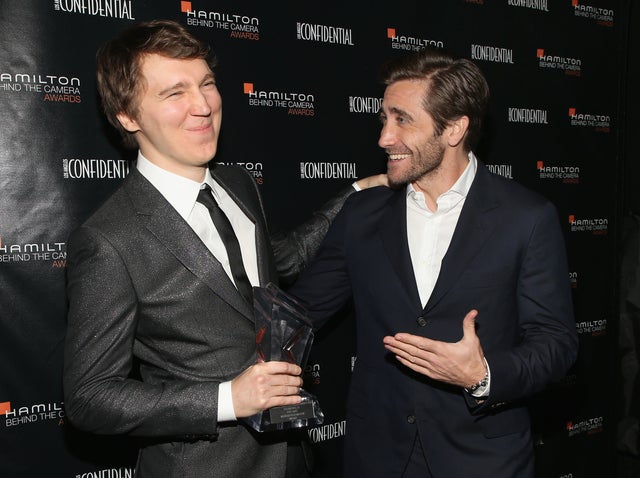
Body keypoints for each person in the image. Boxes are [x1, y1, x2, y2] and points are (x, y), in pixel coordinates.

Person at [63, 19, 384, 478]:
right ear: (126, 116)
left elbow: (281, 259)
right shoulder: (108, 241)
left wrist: (355, 195)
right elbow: (90, 397)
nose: (203, 105)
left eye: (207, 84)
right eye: (174, 93)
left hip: (293, 458)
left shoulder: (238, 184)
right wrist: (227, 400)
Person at [288, 48, 579, 477]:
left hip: (482, 459)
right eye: (384, 118)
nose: (385, 137)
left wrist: (482, 374)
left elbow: (557, 345)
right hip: (378, 456)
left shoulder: (526, 218)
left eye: (402, 119)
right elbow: (299, 312)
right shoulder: (362, 214)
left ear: (454, 129)